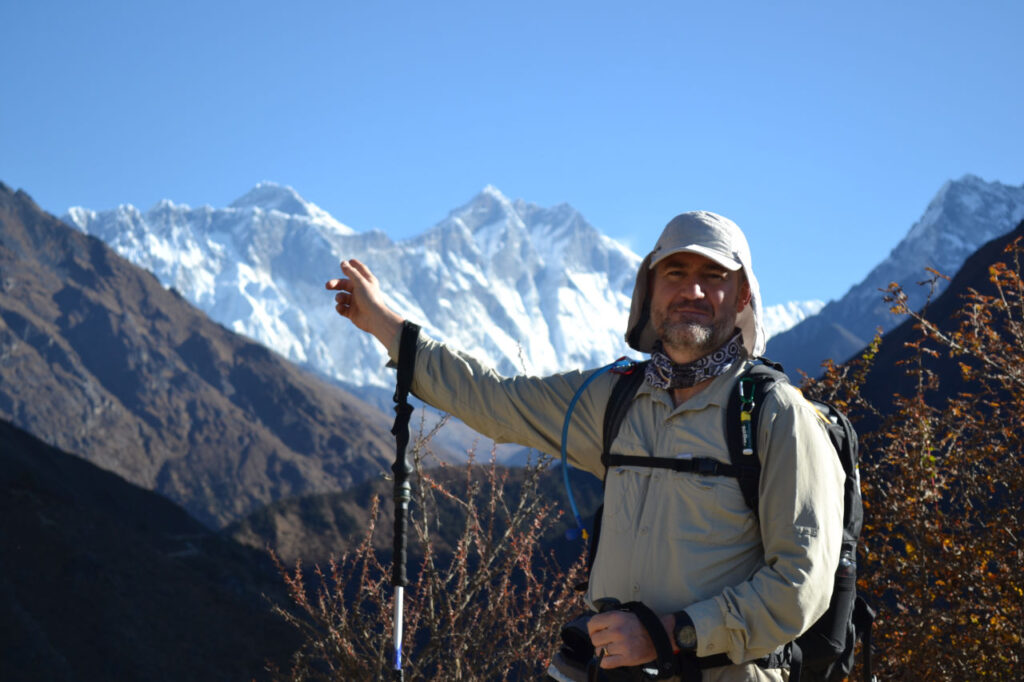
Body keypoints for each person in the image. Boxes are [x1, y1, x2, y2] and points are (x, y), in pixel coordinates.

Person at [326, 211, 844, 682]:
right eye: (675, 273)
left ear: (743, 297)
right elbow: (496, 402)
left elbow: (800, 587)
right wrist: (385, 326)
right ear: (650, 290)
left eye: (714, 276)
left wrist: (671, 634)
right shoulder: (615, 399)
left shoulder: (775, 416)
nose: (693, 291)